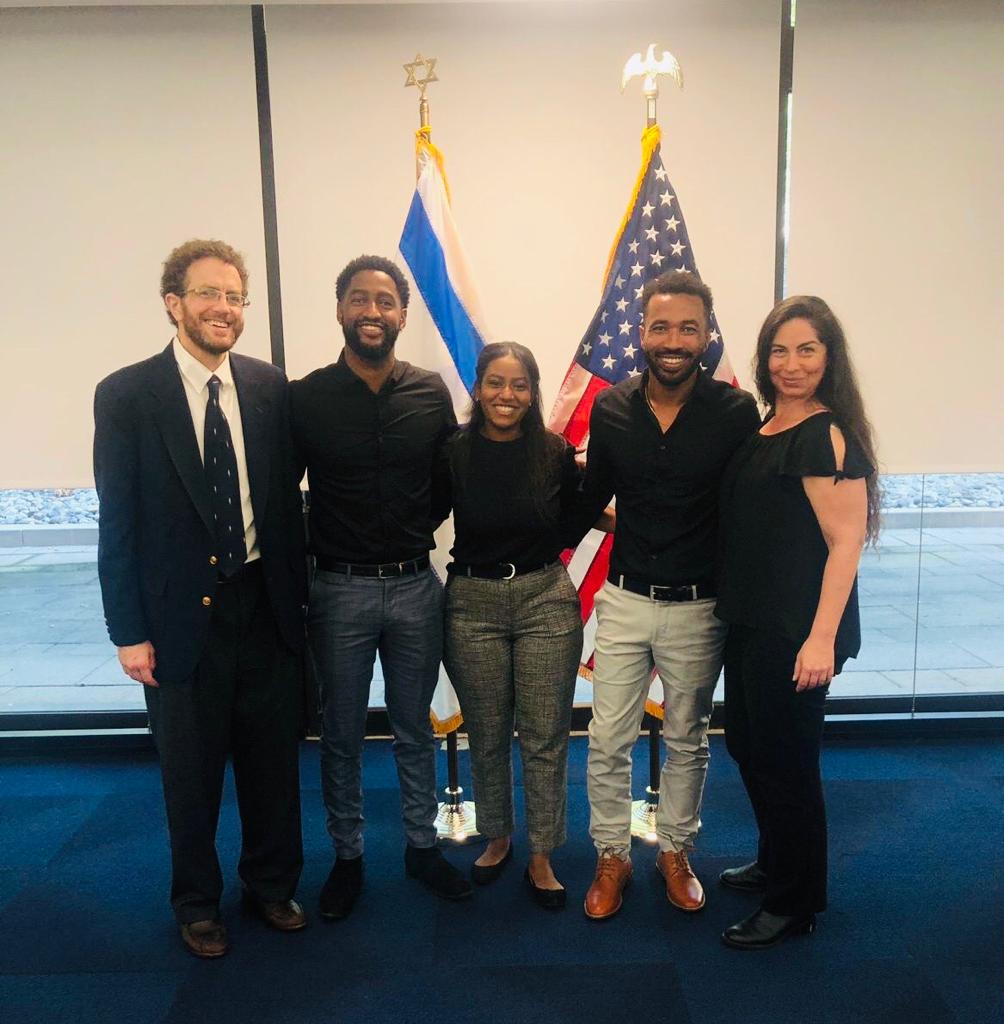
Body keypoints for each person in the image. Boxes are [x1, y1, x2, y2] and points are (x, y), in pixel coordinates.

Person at [93, 239, 308, 959]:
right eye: (209, 294)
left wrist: (298, 606)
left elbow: (283, 507)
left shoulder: (270, 386)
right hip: (180, 621)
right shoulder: (127, 394)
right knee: (190, 777)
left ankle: (271, 886)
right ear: (173, 303)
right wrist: (127, 630)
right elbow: (117, 519)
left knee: (272, 765)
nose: (224, 308)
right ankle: (196, 904)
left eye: (235, 297)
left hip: (265, 608)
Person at [290, 254, 471, 919]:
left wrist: (409, 531)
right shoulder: (306, 397)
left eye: (386, 301)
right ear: (340, 309)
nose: (373, 312)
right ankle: (348, 856)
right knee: (338, 731)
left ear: (402, 313)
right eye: (360, 300)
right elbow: (285, 492)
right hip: (336, 592)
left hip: (415, 587)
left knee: (413, 728)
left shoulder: (429, 392)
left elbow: (447, 484)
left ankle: (422, 847)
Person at [578, 270, 761, 920]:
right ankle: (611, 857)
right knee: (607, 740)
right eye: (661, 327)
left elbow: (747, 510)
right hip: (625, 600)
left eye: (688, 327)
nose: (674, 339)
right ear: (641, 334)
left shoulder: (737, 413)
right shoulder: (611, 408)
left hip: (698, 606)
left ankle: (674, 852)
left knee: (686, 737)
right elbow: (590, 497)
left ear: (708, 334)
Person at [715, 295, 878, 950]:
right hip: (753, 621)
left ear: (829, 357)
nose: (790, 362)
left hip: (796, 631)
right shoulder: (767, 427)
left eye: (806, 348)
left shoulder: (825, 433)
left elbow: (847, 542)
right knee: (748, 747)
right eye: (779, 350)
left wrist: (820, 638)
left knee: (788, 763)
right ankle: (778, 861)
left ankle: (795, 902)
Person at [442, 342, 610, 909]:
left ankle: (541, 853)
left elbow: (575, 519)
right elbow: (418, 510)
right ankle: (497, 838)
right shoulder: (455, 451)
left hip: (543, 599)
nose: (506, 396)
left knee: (543, 736)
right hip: (472, 603)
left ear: (533, 392)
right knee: (487, 733)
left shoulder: (554, 452)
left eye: (518, 385)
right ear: (478, 388)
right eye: (494, 383)